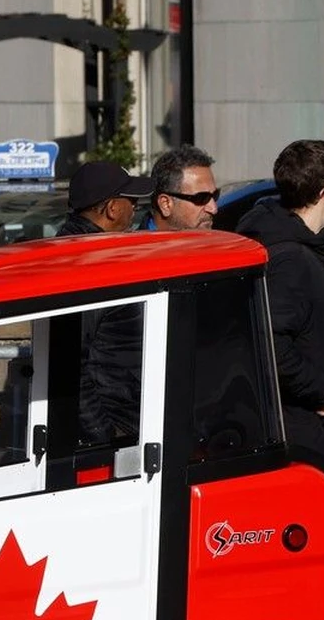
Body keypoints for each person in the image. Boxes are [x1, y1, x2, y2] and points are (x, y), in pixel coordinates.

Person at [235, 139, 324, 620]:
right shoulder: (291, 259)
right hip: (306, 449)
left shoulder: (285, 244)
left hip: (305, 448)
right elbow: (269, 340)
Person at [57, 161, 154, 443]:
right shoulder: (89, 264)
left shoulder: (81, 250)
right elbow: (70, 361)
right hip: (110, 430)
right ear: (112, 208)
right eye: (131, 202)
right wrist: (104, 436)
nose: (135, 209)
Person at [56, 161, 152, 236]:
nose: (134, 209)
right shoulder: (99, 254)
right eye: (133, 202)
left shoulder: (64, 244)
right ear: (112, 208)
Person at [146, 144, 218, 231]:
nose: (214, 209)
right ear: (165, 204)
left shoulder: (217, 241)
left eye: (215, 195)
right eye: (202, 198)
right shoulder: (136, 244)